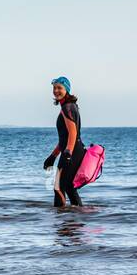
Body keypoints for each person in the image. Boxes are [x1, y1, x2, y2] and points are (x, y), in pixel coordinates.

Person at [45, 76, 85, 207]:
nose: (56, 91)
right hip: (74, 149)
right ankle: (75, 218)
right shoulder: (69, 106)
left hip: (72, 151)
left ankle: (60, 221)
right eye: (54, 88)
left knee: (58, 187)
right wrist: (53, 156)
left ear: (66, 90)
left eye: (59, 88)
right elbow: (64, 138)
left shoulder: (67, 107)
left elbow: (73, 133)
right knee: (68, 186)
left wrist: (67, 153)